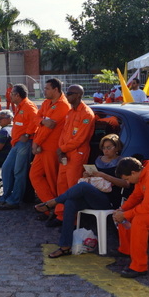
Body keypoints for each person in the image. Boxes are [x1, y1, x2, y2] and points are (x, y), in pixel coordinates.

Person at [36, 134, 128, 258]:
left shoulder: (122, 162)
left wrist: (104, 176)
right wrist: (88, 175)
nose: (106, 150)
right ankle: (65, 246)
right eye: (104, 148)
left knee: (83, 187)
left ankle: (54, 202)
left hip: (109, 200)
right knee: (70, 203)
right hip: (93, 196)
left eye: (109, 147)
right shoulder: (98, 160)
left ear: (116, 148)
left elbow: (126, 184)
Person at [52, 85, 95, 227]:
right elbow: (64, 133)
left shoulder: (86, 114)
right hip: (66, 153)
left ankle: (72, 220)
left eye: (70, 93)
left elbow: (80, 139)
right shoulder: (71, 112)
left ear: (78, 95)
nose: (67, 95)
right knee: (61, 185)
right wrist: (61, 149)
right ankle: (61, 215)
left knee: (72, 188)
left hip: (77, 154)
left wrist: (62, 149)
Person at [0, 84, 39, 210]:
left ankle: (14, 200)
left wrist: (27, 134)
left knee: (19, 172)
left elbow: (36, 121)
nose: (10, 96)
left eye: (12, 94)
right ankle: (6, 197)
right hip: (17, 143)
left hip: (24, 143)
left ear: (17, 95)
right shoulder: (20, 106)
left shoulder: (28, 106)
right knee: (6, 168)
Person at [29, 78, 71, 210]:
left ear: (56, 89)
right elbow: (36, 118)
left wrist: (36, 142)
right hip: (42, 146)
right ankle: (49, 207)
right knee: (34, 175)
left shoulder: (63, 105)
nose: (44, 91)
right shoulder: (47, 102)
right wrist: (42, 121)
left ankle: (55, 209)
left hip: (51, 148)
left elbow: (49, 127)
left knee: (52, 180)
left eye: (47, 88)